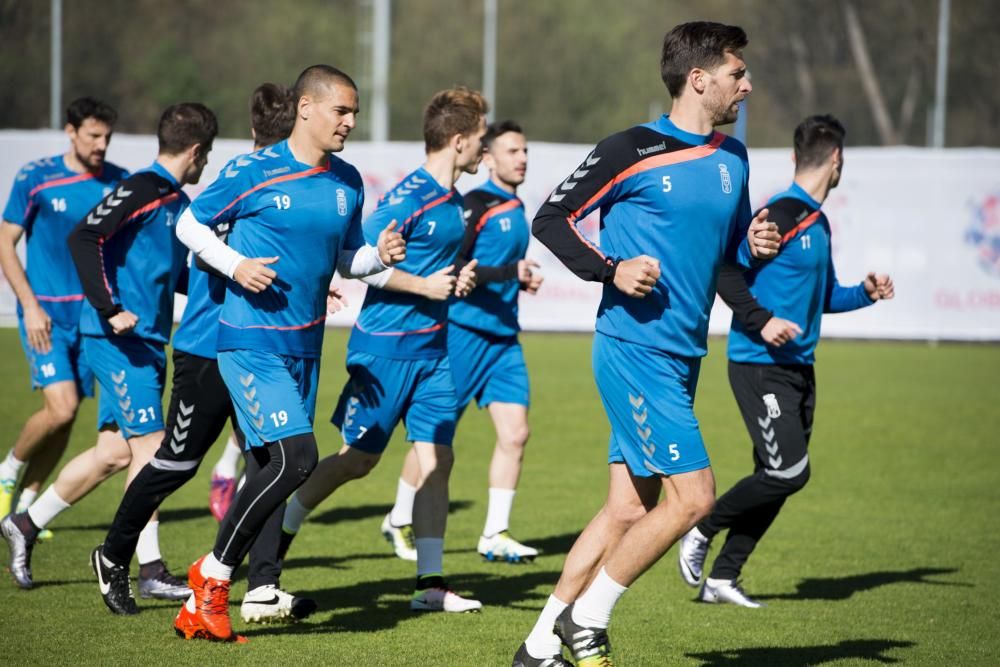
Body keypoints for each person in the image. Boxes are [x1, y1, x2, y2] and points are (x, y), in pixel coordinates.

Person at [512, 21, 781, 667]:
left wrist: (756, 248)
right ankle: (589, 619)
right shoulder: (630, 149)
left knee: (629, 506)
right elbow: (549, 218)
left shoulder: (733, 158)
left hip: (684, 352)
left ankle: (539, 642)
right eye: (737, 73)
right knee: (694, 496)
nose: (747, 84)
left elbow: (727, 258)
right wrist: (611, 268)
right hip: (633, 346)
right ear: (699, 78)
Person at [171, 64, 404, 643]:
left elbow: (350, 259)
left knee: (271, 467)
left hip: (305, 346)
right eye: (341, 111)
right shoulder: (252, 170)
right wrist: (235, 265)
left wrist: (381, 256)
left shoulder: (348, 181)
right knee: (297, 459)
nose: (350, 122)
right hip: (249, 342)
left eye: (354, 112)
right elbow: (189, 225)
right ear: (306, 108)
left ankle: (246, 588)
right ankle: (214, 575)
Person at [91, 83, 317, 623]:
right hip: (208, 347)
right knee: (178, 461)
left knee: (274, 461)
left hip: (260, 344)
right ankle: (114, 555)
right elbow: (200, 244)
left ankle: (262, 586)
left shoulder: (288, 188)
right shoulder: (241, 180)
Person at [279, 86, 489, 613]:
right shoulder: (407, 198)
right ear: (458, 141)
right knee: (357, 462)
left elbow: (430, 268)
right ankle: (277, 533)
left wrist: (457, 278)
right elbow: (361, 260)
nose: (484, 151)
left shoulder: (457, 203)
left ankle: (429, 585)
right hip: (384, 352)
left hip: (433, 354)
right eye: (481, 140)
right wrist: (423, 287)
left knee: (438, 457)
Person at [677, 114, 895, 607]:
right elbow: (726, 273)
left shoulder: (817, 222)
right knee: (789, 472)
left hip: (799, 369)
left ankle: (723, 578)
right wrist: (762, 321)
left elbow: (824, 298)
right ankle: (701, 526)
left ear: (798, 156)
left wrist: (864, 293)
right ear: (836, 161)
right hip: (759, 364)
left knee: (775, 479)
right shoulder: (780, 215)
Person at [1, 104, 217, 597]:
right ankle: (150, 569)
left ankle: (26, 524)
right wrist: (110, 307)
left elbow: (175, 276)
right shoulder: (142, 188)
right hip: (117, 340)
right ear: (198, 151)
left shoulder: (172, 199)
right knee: (154, 450)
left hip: (145, 343)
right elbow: (85, 237)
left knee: (113, 453)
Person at [378, 120, 544, 564]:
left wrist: (517, 279)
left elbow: (491, 267)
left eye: (524, 150)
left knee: (517, 433)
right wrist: (511, 273)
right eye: (512, 151)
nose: (522, 158)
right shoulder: (475, 203)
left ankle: (494, 533)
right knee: (433, 434)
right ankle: (397, 518)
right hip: (465, 332)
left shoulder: (515, 204)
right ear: (486, 157)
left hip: (504, 337)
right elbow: (456, 262)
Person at [0, 98, 127, 526]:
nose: (101, 145)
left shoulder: (118, 184)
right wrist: (30, 306)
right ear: (71, 132)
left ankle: (26, 508)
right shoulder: (36, 177)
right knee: (63, 408)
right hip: (45, 318)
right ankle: (8, 472)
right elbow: (5, 242)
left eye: (107, 137)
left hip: (92, 321)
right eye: (93, 135)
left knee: (65, 420)